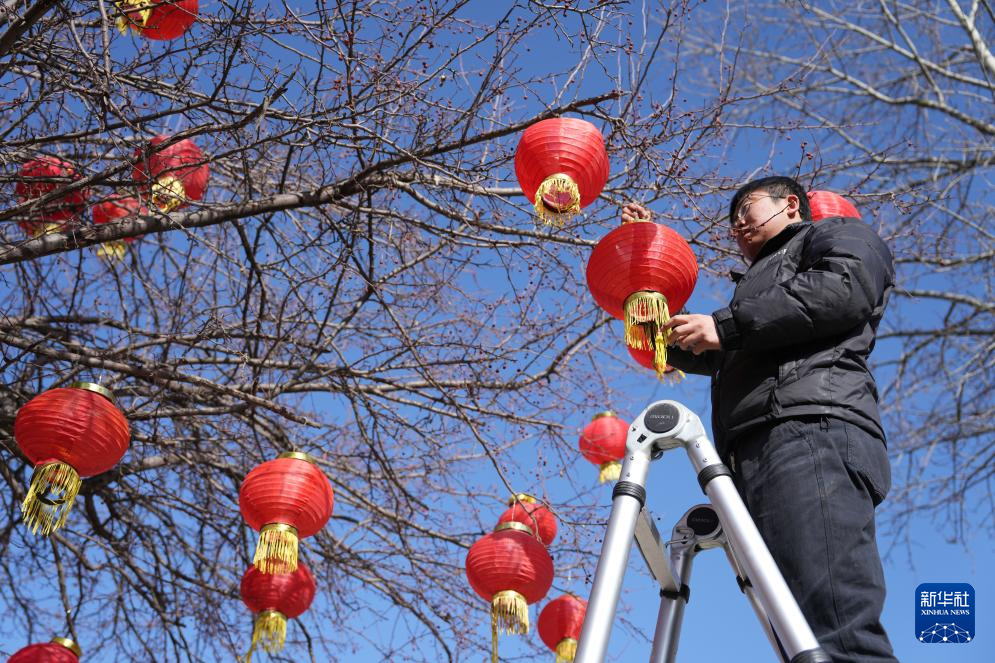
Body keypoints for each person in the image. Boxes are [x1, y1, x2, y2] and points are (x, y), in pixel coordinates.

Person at [622, 176, 899, 662]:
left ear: (791, 206)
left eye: (746, 209)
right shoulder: (755, 301)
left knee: (832, 627)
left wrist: (726, 325)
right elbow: (705, 345)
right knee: (797, 636)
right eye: (732, 220)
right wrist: (647, 269)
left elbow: (842, 290)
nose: (736, 225)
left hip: (810, 430)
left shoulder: (838, 235)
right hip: (756, 449)